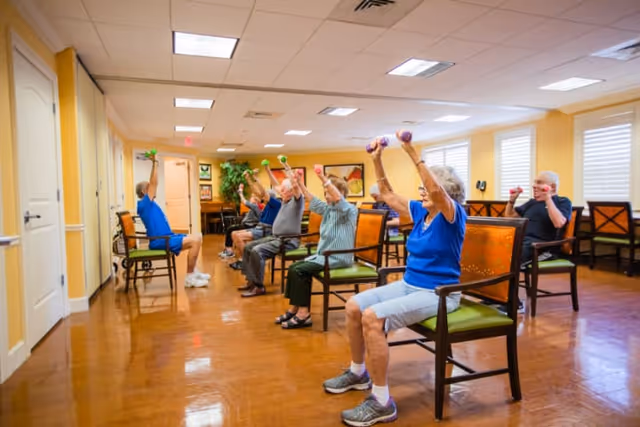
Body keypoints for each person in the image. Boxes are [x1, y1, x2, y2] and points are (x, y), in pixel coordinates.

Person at [322, 131, 467, 426]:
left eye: (425, 187)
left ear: (445, 191)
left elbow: (437, 193)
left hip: (438, 293)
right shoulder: (418, 213)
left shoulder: (453, 216)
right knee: (353, 306)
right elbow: (387, 193)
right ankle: (358, 371)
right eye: (420, 188)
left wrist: (412, 152)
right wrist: (376, 160)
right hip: (410, 285)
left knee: (373, 317)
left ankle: (382, 401)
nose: (421, 192)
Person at [275, 167, 357, 329]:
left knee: (300, 270)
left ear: (338, 192)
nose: (325, 195)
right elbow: (310, 198)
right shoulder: (329, 209)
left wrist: (323, 178)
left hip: (338, 257)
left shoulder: (349, 210)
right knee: (293, 268)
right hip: (324, 256)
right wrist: (299, 183)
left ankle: (304, 314)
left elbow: (338, 198)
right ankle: (295, 308)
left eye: (328, 192)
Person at [135, 152, 210, 288]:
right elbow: (154, 182)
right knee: (195, 241)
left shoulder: (150, 204)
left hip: (167, 237)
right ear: (144, 192)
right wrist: (155, 163)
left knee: (197, 236)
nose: (153, 189)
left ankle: (193, 272)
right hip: (160, 241)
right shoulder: (144, 204)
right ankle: (189, 277)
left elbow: (153, 184)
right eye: (149, 188)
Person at [238, 160, 305, 297]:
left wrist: (287, 167)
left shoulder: (297, 202)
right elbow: (275, 184)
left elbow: (296, 186)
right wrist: (267, 169)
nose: (280, 190)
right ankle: (251, 280)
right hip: (276, 238)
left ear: (291, 190)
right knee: (248, 247)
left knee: (257, 251)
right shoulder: (283, 201)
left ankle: (259, 286)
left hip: (288, 241)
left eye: (284, 189)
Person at [506, 171, 572, 266]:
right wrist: (511, 201)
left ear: (552, 187)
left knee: (509, 259)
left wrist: (548, 199)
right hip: (523, 242)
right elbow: (509, 218)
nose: (534, 186)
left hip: (543, 247)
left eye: (539, 182)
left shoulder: (563, 201)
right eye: (534, 182)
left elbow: (559, 223)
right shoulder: (532, 202)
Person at [229, 168, 281, 270]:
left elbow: (262, 192)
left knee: (238, 236)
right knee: (234, 234)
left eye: (265, 196)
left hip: (266, 231)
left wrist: (255, 177)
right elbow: (257, 191)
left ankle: (245, 261)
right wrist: (248, 178)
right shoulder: (266, 204)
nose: (262, 197)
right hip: (259, 228)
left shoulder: (276, 204)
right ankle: (243, 260)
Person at [219, 188, 263, 258]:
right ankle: (230, 250)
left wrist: (240, 192)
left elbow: (244, 201)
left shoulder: (255, 206)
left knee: (230, 229)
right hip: (247, 225)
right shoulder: (256, 206)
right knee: (232, 228)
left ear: (255, 200)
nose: (250, 199)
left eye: (251, 197)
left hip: (249, 226)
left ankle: (229, 251)